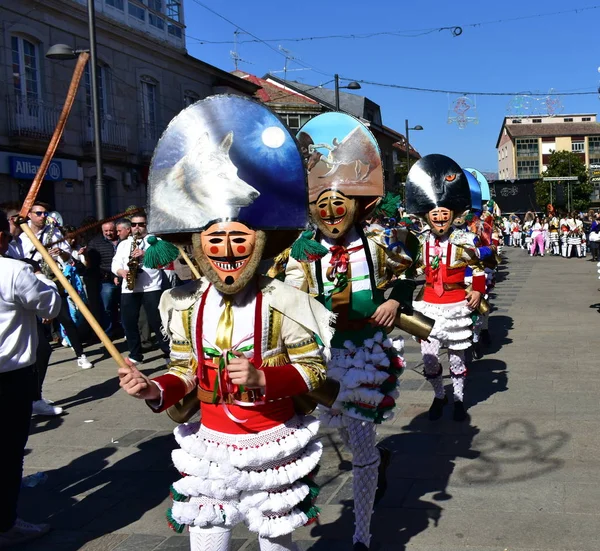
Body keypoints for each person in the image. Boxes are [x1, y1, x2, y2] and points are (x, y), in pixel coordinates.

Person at [118, 95, 333, 551]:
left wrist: (265, 377)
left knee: (276, 545)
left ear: (257, 245)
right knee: (207, 543)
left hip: (271, 444)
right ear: (199, 247)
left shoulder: (287, 301)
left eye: (239, 239)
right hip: (210, 443)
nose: (229, 250)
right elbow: (182, 371)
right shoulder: (184, 305)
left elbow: (313, 368)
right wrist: (152, 389)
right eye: (217, 240)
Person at [280, 113, 418, 551]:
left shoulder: (376, 244)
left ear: (357, 205)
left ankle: (362, 534)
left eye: (340, 205)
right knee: (299, 443)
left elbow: (407, 271)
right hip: (316, 358)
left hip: (363, 353)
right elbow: (286, 302)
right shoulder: (301, 253)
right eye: (323, 206)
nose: (332, 214)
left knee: (360, 449)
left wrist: (396, 299)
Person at [405, 154, 489, 422]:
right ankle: (439, 395)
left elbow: (478, 268)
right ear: (427, 217)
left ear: (453, 215)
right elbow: (412, 270)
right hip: (428, 304)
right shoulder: (420, 242)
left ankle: (459, 399)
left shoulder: (466, 239)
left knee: (456, 357)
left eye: (444, 214)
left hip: (455, 304)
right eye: (435, 215)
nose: (440, 219)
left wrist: (477, 291)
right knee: (429, 359)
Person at [0, 210, 61, 547]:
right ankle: (6, 523)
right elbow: (50, 307)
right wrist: (45, 276)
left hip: (11, 375)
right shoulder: (13, 271)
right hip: (9, 378)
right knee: (8, 452)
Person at [112, 212, 170, 364]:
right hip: (129, 287)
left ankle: (168, 352)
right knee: (129, 322)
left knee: (157, 321)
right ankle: (135, 354)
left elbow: (164, 262)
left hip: (152, 286)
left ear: (147, 225)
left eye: (141, 224)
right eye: (134, 225)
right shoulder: (124, 244)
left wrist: (145, 254)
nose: (137, 228)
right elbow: (115, 263)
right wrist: (121, 272)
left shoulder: (156, 241)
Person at [86, 221, 121, 338]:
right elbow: (91, 262)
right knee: (107, 307)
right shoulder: (96, 243)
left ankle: (124, 329)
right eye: (106, 231)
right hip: (106, 279)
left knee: (125, 306)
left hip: (124, 277)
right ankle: (108, 332)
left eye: (111, 230)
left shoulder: (123, 240)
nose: (109, 233)